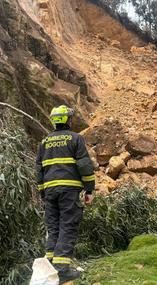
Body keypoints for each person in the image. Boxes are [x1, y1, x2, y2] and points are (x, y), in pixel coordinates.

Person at [36, 105, 95, 284]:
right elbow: (84, 166)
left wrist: (42, 193)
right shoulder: (75, 138)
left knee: (53, 228)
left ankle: (50, 268)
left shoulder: (44, 142)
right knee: (67, 227)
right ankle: (62, 271)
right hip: (69, 191)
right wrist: (90, 188)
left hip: (50, 192)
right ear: (68, 120)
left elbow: (39, 170)